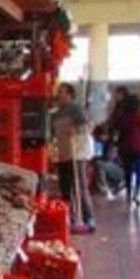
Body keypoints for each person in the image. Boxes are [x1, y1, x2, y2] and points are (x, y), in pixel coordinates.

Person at [52, 82, 95, 232]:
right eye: (58, 91)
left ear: (70, 94)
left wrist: (76, 129)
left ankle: (89, 218)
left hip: (78, 152)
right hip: (64, 153)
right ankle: (68, 216)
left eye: (61, 92)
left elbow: (89, 126)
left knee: (80, 186)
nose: (58, 94)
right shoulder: (57, 113)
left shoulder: (76, 109)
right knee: (65, 186)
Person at [112, 93, 140, 207]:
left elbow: (115, 130)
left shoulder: (123, 117)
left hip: (125, 149)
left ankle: (128, 192)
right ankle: (136, 194)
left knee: (127, 172)